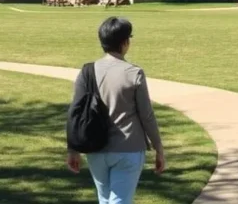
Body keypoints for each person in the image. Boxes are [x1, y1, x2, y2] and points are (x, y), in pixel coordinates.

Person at [66, 17, 165, 204]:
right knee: (120, 201)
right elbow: (147, 115)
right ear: (125, 42)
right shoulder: (134, 73)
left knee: (105, 199)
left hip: (95, 147)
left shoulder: (87, 71)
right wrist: (158, 148)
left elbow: (75, 112)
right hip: (129, 148)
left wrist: (73, 149)